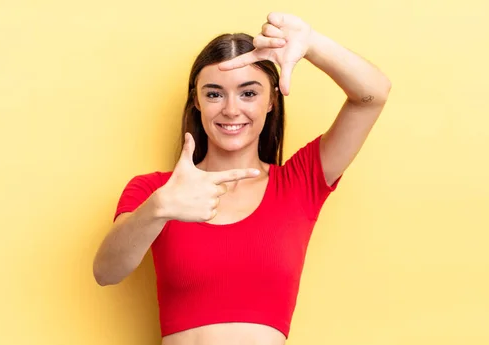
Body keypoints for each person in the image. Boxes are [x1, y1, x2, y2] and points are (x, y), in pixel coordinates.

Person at [93, 12, 391, 345]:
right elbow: (106, 273)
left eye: (248, 93)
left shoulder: (300, 181)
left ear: (270, 101)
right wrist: (157, 209)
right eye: (214, 94)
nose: (232, 110)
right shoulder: (156, 191)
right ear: (197, 101)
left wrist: (312, 45)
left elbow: (372, 96)